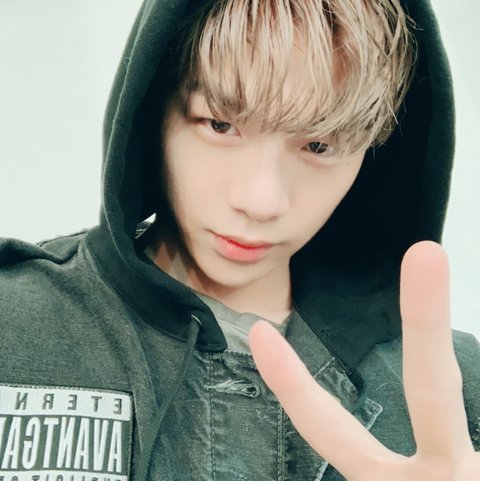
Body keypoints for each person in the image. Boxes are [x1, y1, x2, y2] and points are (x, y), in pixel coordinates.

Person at [0, 0, 479, 480]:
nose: (261, 201)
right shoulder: (12, 323)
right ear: (154, 110)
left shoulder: (458, 394)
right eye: (220, 124)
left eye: (319, 145)